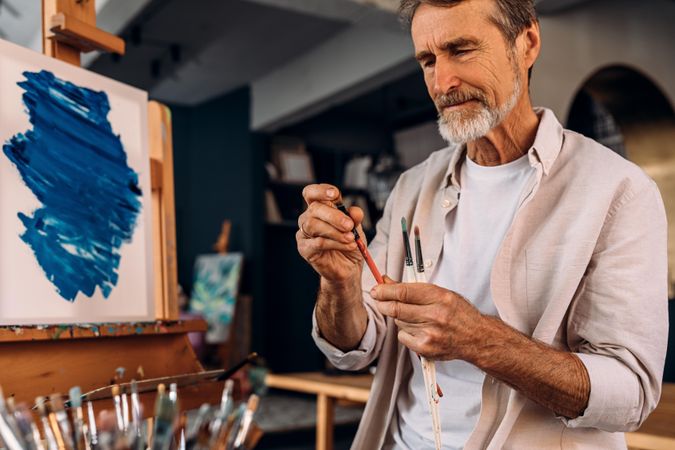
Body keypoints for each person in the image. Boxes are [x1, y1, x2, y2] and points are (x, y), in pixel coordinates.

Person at [295, 0, 669, 448]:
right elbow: (356, 348)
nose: (443, 82)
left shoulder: (618, 189)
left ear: (526, 43)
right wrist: (339, 284)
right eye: (428, 60)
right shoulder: (411, 188)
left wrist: (480, 340)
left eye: (462, 50)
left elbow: (631, 393)